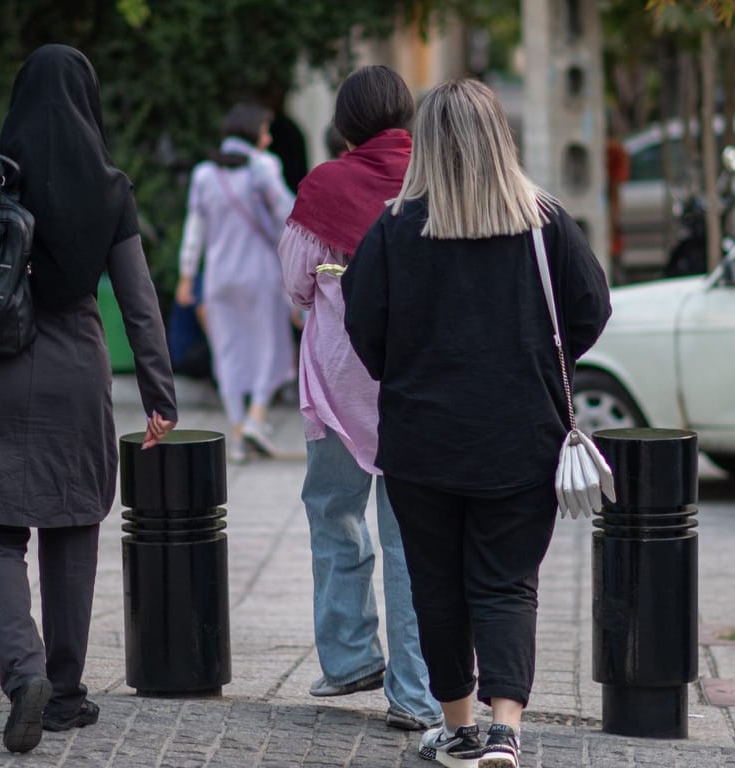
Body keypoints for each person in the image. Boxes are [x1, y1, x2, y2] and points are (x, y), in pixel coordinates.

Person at [342, 78, 612, 768]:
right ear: (502, 137)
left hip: (421, 439)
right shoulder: (544, 222)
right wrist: (533, 363)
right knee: (506, 581)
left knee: (435, 582)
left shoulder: (396, 227)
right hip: (521, 435)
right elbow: (591, 308)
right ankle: (506, 729)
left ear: (426, 142)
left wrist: (404, 373)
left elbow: (362, 325)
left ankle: (458, 727)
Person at [0, 45, 178, 755]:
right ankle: (66, 694)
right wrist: (159, 395)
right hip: (74, 368)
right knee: (73, 524)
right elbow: (139, 304)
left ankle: (25, 678)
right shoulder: (110, 188)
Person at [277, 65, 442, 733]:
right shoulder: (440, 180)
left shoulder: (323, 186)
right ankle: (416, 693)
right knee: (413, 541)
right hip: (419, 388)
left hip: (340, 385)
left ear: (344, 124)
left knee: (335, 513)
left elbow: (294, 286)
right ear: (408, 113)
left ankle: (348, 659)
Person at [176, 103, 297, 463]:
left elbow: (194, 229)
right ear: (252, 133)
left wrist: (186, 275)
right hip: (260, 273)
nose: (269, 138)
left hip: (218, 276)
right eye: (265, 131)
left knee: (226, 350)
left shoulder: (204, 174)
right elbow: (288, 217)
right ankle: (256, 416)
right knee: (270, 345)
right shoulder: (264, 167)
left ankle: (238, 431)